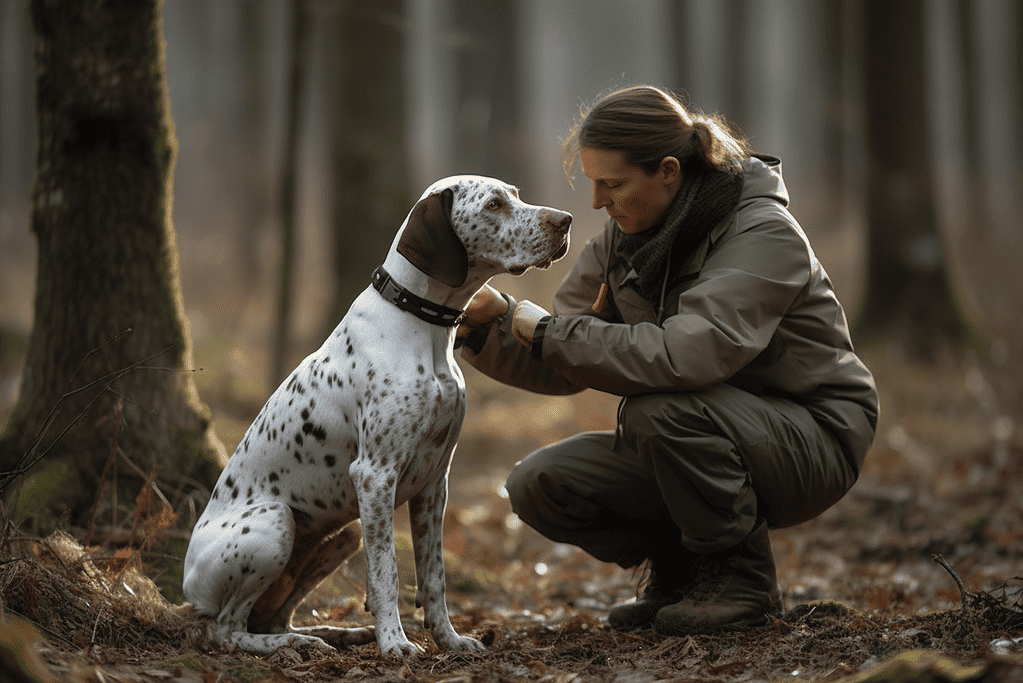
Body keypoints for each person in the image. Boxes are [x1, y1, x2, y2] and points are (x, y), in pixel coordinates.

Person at [456, 85, 878, 635]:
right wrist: (490, 321)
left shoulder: (763, 233)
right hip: (703, 432)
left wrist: (548, 331)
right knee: (541, 483)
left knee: (659, 411)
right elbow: (562, 352)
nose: (597, 202)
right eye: (592, 183)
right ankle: (683, 573)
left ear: (670, 171)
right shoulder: (622, 239)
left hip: (814, 437)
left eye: (612, 184)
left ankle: (741, 583)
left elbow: (687, 355)